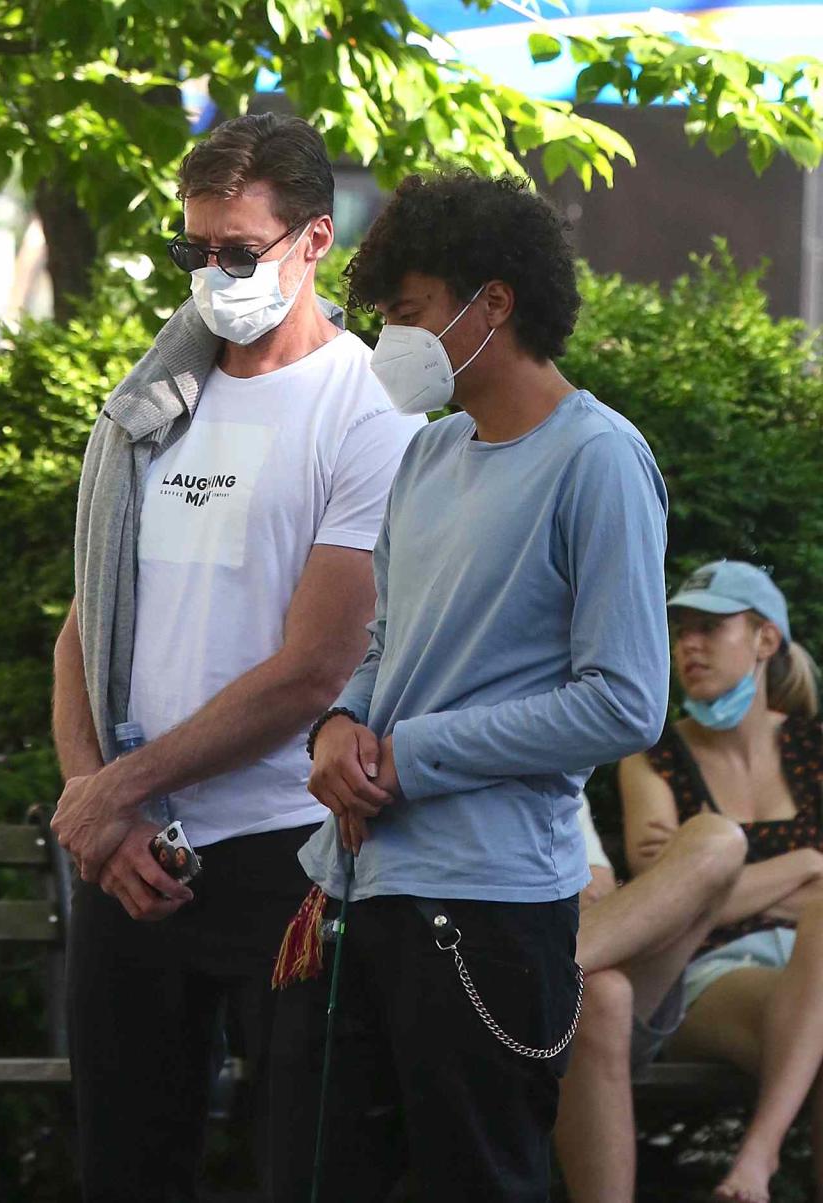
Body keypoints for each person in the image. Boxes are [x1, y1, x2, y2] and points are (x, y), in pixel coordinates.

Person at [267, 170, 671, 1203]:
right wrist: (339, 724)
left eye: (408, 313)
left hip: (487, 908)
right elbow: (385, 642)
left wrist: (413, 756)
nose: (392, 340)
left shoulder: (600, 459)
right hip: (362, 885)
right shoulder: (429, 455)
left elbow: (626, 700)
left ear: (495, 303)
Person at [49, 113, 423, 1203]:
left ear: (314, 241)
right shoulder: (150, 402)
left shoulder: (371, 407)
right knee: (123, 1167)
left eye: (237, 250)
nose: (212, 274)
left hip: (287, 854)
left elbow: (317, 668)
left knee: (303, 1166)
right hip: (130, 848)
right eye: (192, 251)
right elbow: (87, 623)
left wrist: (116, 788)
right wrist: (96, 802)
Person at [619, 560, 823, 1203]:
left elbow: (698, 893)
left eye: (710, 627)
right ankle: (757, 1166)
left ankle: (753, 1167)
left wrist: (720, 889)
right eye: (680, 630)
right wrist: (808, 864)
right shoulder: (653, 754)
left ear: (766, 640)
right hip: (711, 974)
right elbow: (668, 909)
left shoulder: (815, 746)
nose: (688, 645)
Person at [555, 794, 747, 1202]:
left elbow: (597, 888)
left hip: (564, 968)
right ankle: (546, 974)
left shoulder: (550, 754)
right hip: (468, 974)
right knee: (600, 994)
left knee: (718, 836)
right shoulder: (408, 753)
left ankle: (546, 974)